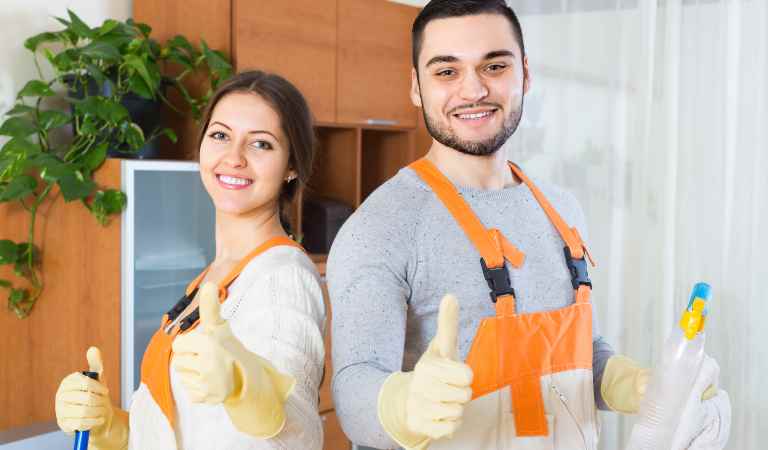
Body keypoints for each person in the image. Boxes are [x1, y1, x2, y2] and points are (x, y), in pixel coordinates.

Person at [326, 1, 731, 449]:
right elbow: (353, 391)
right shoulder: (381, 227)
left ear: (525, 74)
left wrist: (628, 382)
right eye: (446, 72)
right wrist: (403, 404)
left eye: (494, 65)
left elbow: (573, 362)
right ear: (416, 88)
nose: (473, 89)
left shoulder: (562, 211)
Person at [54, 71, 326, 449]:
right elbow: (182, 431)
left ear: (292, 166)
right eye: (220, 135)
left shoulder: (283, 280)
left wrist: (250, 392)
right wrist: (109, 425)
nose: (234, 157)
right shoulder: (211, 278)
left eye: (261, 144)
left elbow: (297, 430)